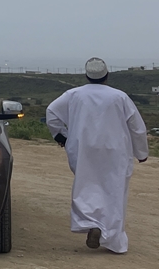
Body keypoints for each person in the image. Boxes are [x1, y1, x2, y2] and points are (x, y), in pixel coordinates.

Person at [46, 57, 149, 253]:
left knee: (87, 186)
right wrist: (141, 152)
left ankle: (91, 222)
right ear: (107, 75)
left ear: (86, 76)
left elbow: (52, 112)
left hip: (83, 150)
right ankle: (114, 240)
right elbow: (137, 127)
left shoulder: (73, 94)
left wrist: (62, 137)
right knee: (114, 191)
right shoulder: (120, 97)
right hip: (115, 151)